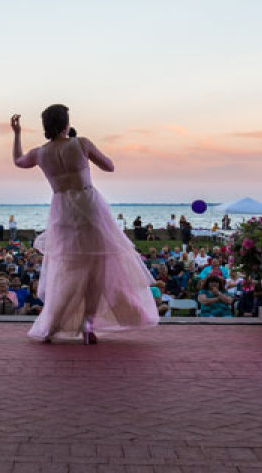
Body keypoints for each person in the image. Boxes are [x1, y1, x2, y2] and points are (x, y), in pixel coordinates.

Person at [11, 106, 159, 343]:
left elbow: (19, 161)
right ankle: (87, 323)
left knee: (67, 271)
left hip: (62, 213)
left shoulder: (40, 153)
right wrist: (82, 147)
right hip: (89, 208)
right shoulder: (80, 143)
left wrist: (17, 133)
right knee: (96, 269)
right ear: (66, 123)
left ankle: (52, 325)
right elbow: (109, 166)